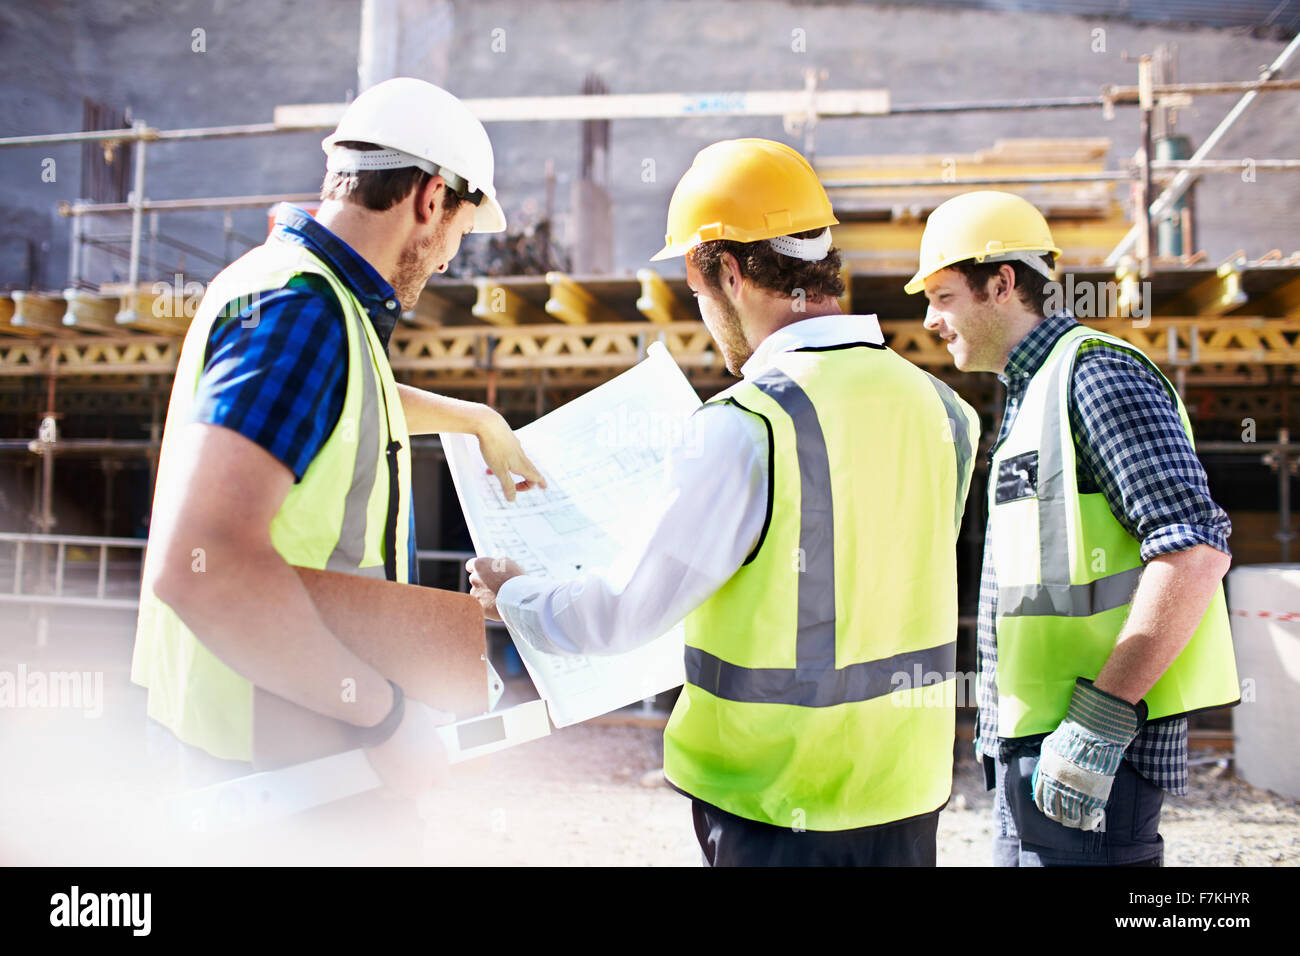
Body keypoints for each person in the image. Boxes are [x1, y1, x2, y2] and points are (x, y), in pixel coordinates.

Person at [468, 138, 980, 866]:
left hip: (773, 805)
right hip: (906, 798)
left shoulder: (746, 427)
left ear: (727, 273)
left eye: (699, 294)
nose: (706, 315)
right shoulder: (946, 411)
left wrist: (514, 596)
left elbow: (621, 614)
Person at [131, 78, 545, 797]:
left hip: (255, 737)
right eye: (461, 230)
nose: (449, 258)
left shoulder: (293, 291)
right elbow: (203, 567)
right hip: (261, 768)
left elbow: (346, 406)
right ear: (429, 199)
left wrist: (476, 418)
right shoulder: (302, 310)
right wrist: (384, 719)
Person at [908, 190, 1240, 866]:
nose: (930, 319)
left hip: (1094, 745)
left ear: (1002, 283)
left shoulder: (1097, 375)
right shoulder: (1036, 392)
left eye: (942, 296)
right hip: (1039, 740)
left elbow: (1195, 551)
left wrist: (1098, 724)